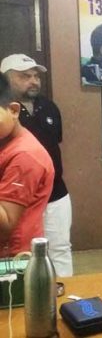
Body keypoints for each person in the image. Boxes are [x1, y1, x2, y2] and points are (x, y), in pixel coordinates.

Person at [1, 54, 73, 276]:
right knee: (28, 253)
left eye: (35, 76)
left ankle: (62, 293)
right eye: (25, 76)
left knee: (59, 249)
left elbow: (55, 144)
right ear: (6, 79)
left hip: (54, 193)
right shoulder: (8, 115)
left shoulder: (49, 107)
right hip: (18, 196)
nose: (33, 81)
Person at [0, 73, 54, 257]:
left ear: (14, 111)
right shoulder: (5, 142)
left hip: (12, 263)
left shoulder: (25, 157)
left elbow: (5, 224)